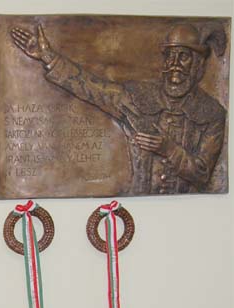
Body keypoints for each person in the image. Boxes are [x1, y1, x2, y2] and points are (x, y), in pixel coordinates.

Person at [11, 22, 227, 194]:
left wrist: (169, 149)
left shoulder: (212, 113)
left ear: (198, 64)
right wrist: (49, 57)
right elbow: (91, 88)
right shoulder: (138, 97)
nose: (174, 65)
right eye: (170, 57)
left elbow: (202, 173)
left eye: (183, 57)